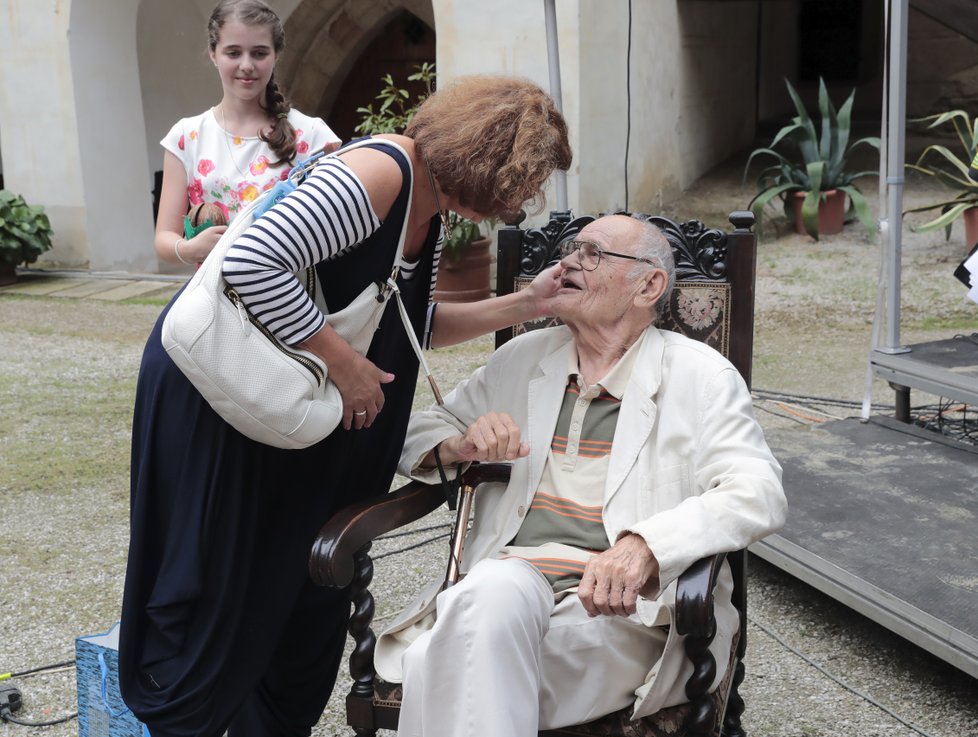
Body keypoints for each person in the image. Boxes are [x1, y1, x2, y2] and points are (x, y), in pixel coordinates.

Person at [119, 72, 573, 737]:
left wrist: (526, 303)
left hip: (289, 412)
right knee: (221, 584)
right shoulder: (379, 173)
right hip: (219, 401)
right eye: (522, 182)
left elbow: (405, 323)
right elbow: (252, 263)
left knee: (288, 601)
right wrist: (345, 365)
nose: (521, 200)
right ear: (489, 159)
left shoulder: (430, 205)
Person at [375, 214, 787, 737]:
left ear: (649, 285)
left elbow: (758, 492)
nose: (567, 262)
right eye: (570, 250)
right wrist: (459, 444)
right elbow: (420, 429)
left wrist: (646, 546)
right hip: (506, 593)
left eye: (592, 254)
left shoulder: (701, 376)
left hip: (617, 616)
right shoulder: (523, 358)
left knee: (449, 660)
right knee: (492, 594)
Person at [152, 0, 340, 268]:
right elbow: (164, 238)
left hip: (294, 297)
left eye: (259, 53)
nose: (246, 65)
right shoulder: (186, 137)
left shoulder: (314, 136)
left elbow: (338, 226)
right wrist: (190, 248)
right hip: (216, 299)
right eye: (233, 53)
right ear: (213, 54)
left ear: (276, 55)